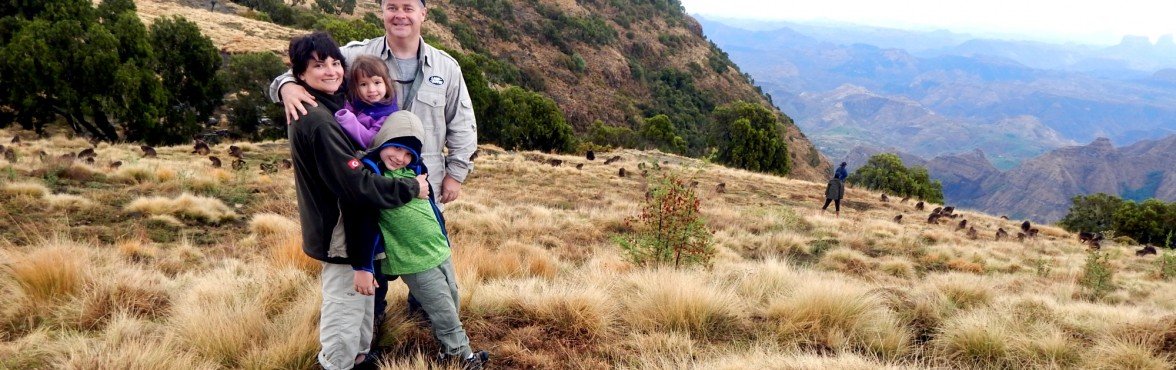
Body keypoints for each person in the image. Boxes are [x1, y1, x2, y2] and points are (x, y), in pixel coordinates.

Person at [269, 0, 477, 327]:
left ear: (424, 13)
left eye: (408, 7)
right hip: (369, 185)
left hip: (421, 185)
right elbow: (308, 67)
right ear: (381, 11)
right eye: (391, 6)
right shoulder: (354, 55)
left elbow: (462, 123)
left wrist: (456, 175)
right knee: (373, 257)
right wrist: (285, 87)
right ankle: (374, 326)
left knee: (424, 255)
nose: (400, 15)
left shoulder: (446, 67)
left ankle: (423, 321)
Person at [284, 31, 428, 370]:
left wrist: (283, 88)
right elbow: (356, 184)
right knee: (345, 305)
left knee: (362, 303)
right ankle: (336, 364)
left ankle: (360, 358)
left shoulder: (332, 103)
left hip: (354, 226)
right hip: (338, 230)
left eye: (335, 63)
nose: (332, 71)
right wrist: (410, 189)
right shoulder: (318, 121)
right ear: (301, 74)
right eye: (319, 65)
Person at [358, 110, 489, 369]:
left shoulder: (414, 173)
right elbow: (364, 217)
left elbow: (429, 207)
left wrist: (443, 238)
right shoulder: (372, 178)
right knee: (443, 310)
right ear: (383, 139)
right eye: (396, 147)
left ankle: (447, 352)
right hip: (412, 259)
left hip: (438, 250)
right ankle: (463, 357)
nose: (400, 157)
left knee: (452, 299)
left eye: (408, 153)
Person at [336, 55, 399, 148]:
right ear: (355, 87)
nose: (371, 89)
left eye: (377, 82)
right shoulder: (355, 101)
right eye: (363, 84)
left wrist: (347, 119)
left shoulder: (387, 115)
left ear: (387, 83)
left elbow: (370, 141)